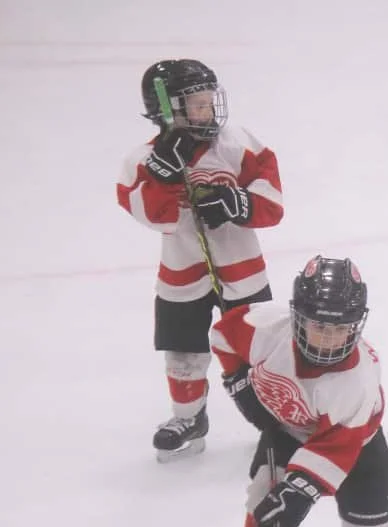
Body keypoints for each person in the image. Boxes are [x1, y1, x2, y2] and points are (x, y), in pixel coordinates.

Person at [211, 256, 388, 527]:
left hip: (355, 442)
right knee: (265, 497)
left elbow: (335, 448)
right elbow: (222, 336)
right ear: (298, 317)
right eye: (319, 326)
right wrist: (238, 382)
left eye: (340, 329)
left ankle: (387, 507)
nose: (329, 340)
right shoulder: (267, 330)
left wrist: (299, 491)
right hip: (290, 431)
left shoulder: (354, 381)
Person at [117, 59, 284, 462]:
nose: (208, 111)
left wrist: (237, 204)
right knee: (183, 351)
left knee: (256, 346)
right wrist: (162, 176)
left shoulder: (238, 143)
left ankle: (277, 420)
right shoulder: (143, 159)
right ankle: (189, 418)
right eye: (196, 104)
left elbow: (273, 203)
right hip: (181, 271)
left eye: (210, 101)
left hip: (243, 270)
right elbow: (152, 216)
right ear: (166, 110)